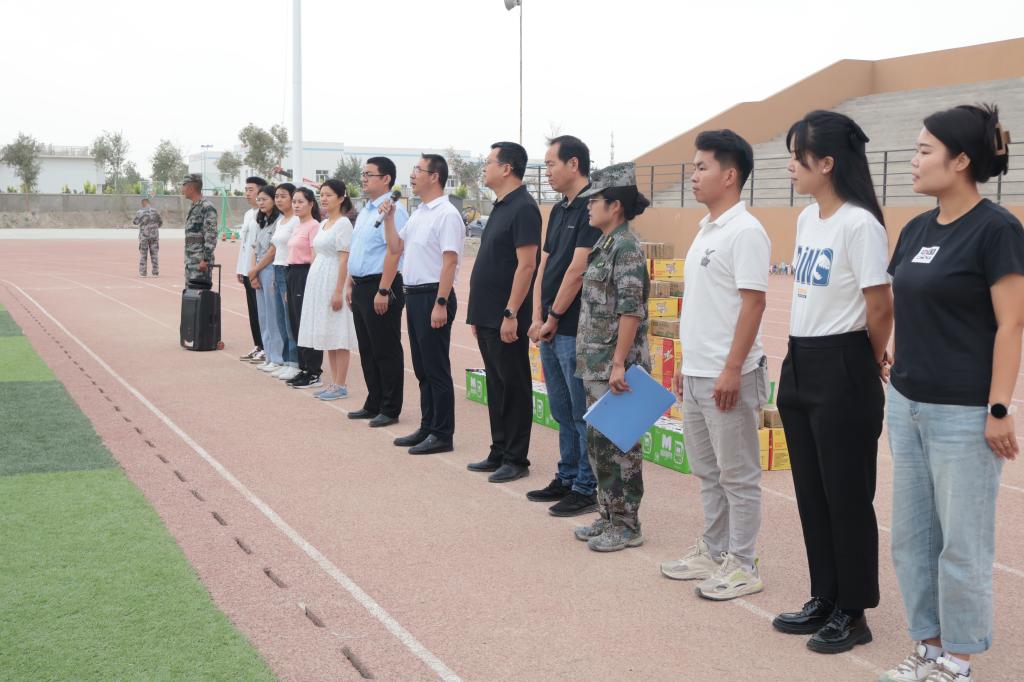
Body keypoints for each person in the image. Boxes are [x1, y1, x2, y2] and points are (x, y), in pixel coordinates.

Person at [881, 105, 1024, 682]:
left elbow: (1011, 324)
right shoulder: (916, 229)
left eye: (924, 150)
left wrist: (999, 408)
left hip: (963, 413)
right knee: (912, 539)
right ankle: (929, 645)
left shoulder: (997, 229)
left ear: (961, 160)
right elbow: (907, 302)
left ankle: (958, 660)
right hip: (907, 405)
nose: (913, 161)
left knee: (961, 543)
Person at [769, 112, 891, 654]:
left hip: (844, 362)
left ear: (826, 163)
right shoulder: (806, 219)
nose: (790, 167)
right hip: (801, 359)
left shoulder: (860, 224)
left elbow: (879, 305)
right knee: (812, 492)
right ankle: (825, 594)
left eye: (797, 157)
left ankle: (854, 610)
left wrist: (868, 357)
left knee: (846, 495)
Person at [660, 130, 771, 599]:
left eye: (701, 167)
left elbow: (753, 303)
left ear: (730, 175)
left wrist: (731, 368)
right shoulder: (707, 229)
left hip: (731, 374)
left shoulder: (746, 232)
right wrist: (686, 365)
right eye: (693, 167)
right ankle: (713, 548)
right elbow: (705, 306)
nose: (693, 175)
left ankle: (743, 563)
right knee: (708, 471)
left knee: (738, 474)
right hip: (699, 371)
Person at [571, 162, 652, 552]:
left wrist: (619, 362)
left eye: (595, 200)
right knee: (599, 445)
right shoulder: (605, 246)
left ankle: (626, 523)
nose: (589, 206)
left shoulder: (626, 248)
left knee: (620, 447)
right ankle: (608, 514)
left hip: (616, 366)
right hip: (597, 363)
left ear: (615, 205)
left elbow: (630, 310)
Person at [526, 135, 602, 515]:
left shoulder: (594, 207)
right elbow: (545, 264)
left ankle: (586, 486)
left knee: (579, 410)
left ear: (574, 164)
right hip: (549, 326)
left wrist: (554, 317)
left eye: (551, 163)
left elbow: (577, 269)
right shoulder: (558, 210)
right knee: (560, 408)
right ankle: (567, 475)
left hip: (573, 328)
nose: (547, 171)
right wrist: (537, 316)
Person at [466, 141, 541, 483]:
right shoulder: (501, 206)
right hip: (487, 314)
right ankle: (499, 449)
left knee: (513, 385)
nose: (484, 167)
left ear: (507, 168)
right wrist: (478, 314)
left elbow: (526, 265)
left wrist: (511, 313)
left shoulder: (524, 207)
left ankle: (516, 457)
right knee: (496, 385)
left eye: (489, 162)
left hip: (506, 315)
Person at [380, 154, 464, 455]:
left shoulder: (447, 214)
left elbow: (450, 261)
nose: (412, 175)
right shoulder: (418, 213)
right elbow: (395, 247)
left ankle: (442, 434)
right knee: (422, 368)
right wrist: (389, 218)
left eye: (418, 169)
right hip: (414, 295)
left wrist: (441, 302)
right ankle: (428, 426)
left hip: (433, 295)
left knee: (436, 369)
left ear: (435, 176)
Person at [346, 157, 409, 427]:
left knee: (386, 349)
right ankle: (374, 401)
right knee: (368, 349)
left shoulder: (394, 211)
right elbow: (358, 251)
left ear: (386, 179)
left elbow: (395, 251)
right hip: (361, 286)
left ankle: (390, 407)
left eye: (369, 174)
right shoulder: (365, 211)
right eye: (363, 174)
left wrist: (383, 289)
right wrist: (350, 283)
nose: (363, 178)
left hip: (381, 285)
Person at [298, 179, 358, 401]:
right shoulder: (323, 223)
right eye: (321, 194)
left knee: (339, 333)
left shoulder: (343, 224)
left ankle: (341, 385)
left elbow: (344, 259)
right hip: (319, 281)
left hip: (333, 280)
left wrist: (338, 290)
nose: (323, 198)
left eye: (329, 195)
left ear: (341, 198)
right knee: (328, 333)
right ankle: (333, 383)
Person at [284, 187, 324, 389]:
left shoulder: (314, 226)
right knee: (295, 323)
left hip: (305, 274)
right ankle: (304, 367)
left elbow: (315, 255)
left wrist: (312, 282)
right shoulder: (297, 225)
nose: (296, 205)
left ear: (311, 204)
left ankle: (314, 371)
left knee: (305, 322)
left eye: (300, 202)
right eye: (294, 202)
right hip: (292, 273)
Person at [249, 185, 284, 374]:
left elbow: (272, 251)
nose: (261, 203)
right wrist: (253, 273)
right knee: (263, 315)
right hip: (259, 269)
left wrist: (255, 269)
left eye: (265, 199)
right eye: (259, 199)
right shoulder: (261, 220)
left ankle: (278, 357)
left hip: (269, 269)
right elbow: (255, 248)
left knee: (273, 315)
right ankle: (269, 355)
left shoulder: (280, 221)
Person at [269, 183, 300, 381]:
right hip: (278, 269)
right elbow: (277, 249)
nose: (279, 200)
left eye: (283, 196)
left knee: (290, 321)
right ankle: (287, 360)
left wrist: (287, 278)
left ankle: (295, 362)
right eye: (277, 196)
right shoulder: (281, 221)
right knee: (281, 320)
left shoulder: (296, 221)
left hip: (289, 270)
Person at [238, 176, 267, 363]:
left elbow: (260, 247)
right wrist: (240, 269)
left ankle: (266, 346)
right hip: (246, 269)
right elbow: (244, 245)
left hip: (258, 270)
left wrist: (254, 269)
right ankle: (258, 344)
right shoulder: (249, 214)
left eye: (251, 190)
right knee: (253, 311)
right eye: (246, 190)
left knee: (262, 311)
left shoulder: (264, 215)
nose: (247, 193)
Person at [181, 173, 218, 289]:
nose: (182, 189)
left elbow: (211, 235)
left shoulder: (207, 207)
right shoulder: (194, 206)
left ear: (191, 188)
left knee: (200, 295)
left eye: (183, 186)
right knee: (190, 295)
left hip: (200, 262)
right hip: (191, 261)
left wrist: (205, 259)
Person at [133, 197, 162, 277]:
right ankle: (155, 272)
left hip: (144, 236)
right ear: (149, 203)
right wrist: (154, 228)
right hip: (154, 236)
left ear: (143, 203)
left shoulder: (139, 212)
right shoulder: (155, 211)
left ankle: (143, 273)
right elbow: (160, 222)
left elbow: (135, 222)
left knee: (143, 254)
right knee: (154, 254)